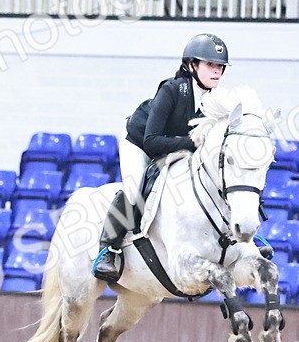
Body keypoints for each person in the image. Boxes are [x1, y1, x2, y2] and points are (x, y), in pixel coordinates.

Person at [93, 33, 229, 283]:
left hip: (178, 148)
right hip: (141, 142)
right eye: (210, 65)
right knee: (134, 191)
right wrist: (191, 143)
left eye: (220, 66)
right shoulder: (172, 89)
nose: (217, 71)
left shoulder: (217, 100)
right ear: (191, 65)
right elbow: (152, 142)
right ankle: (108, 250)